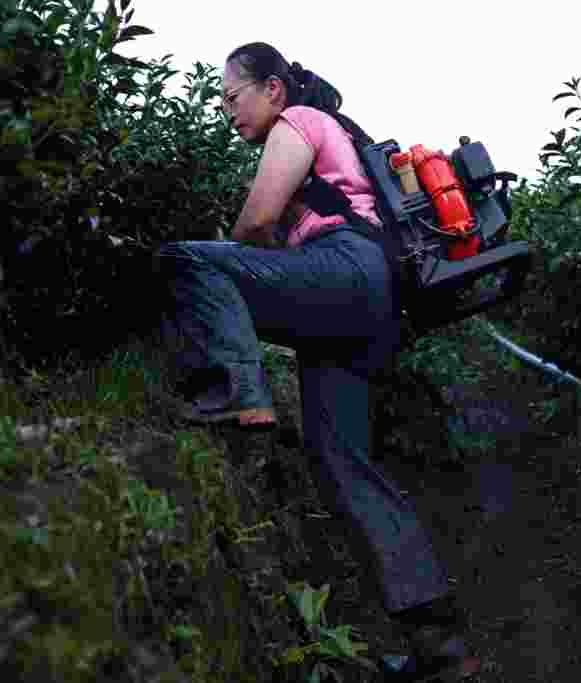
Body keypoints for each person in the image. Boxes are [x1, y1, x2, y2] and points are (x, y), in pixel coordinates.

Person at [153, 42, 471, 679]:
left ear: (274, 90)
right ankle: (440, 646)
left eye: (232, 97)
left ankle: (238, 395)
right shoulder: (322, 136)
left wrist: (254, 272)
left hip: (347, 272)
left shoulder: (298, 122)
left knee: (185, 258)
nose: (226, 112)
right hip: (365, 306)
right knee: (344, 464)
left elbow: (255, 222)